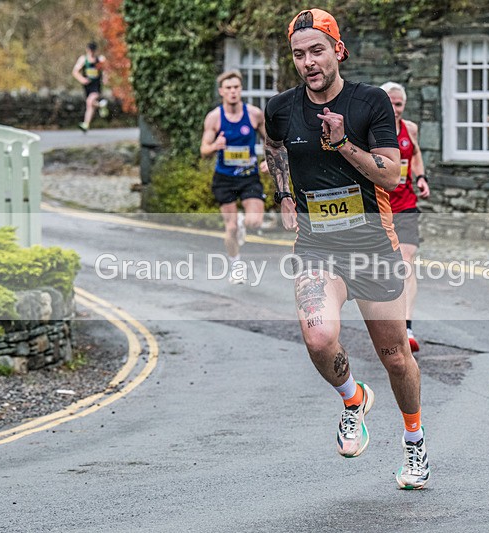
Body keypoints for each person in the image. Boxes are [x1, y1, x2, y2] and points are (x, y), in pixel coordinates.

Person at [264, 8, 430, 489]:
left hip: (373, 247)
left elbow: (391, 174)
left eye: (317, 51)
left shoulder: (370, 102)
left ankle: (414, 441)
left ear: (338, 50)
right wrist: (284, 194)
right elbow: (273, 147)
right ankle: (353, 399)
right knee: (318, 337)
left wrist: (341, 145)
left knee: (395, 357)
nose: (308, 63)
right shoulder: (281, 108)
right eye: (299, 54)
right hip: (317, 247)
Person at [200, 70, 267, 284]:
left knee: (254, 222)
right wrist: (215, 146)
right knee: (230, 228)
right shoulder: (214, 117)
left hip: (249, 176)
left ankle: (241, 221)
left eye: (236, 87)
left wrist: (270, 160)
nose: (233, 91)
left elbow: (271, 142)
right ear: (221, 91)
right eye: (228, 88)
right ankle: (236, 265)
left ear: (241, 89)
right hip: (224, 178)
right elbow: (203, 149)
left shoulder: (254, 114)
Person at [380, 82, 430, 353]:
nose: (394, 109)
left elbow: (416, 154)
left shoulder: (410, 129)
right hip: (379, 206)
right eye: (389, 102)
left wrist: (421, 178)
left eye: (398, 104)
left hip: (406, 204)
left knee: (406, 260)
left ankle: (407, 328)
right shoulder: (370, 130)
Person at [72, 42, 107, 133]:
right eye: (90, 50)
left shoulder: (100, 59)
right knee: (90, 105)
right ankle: (100, 106)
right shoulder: (83, 59)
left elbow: (105, 70)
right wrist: (82, 79)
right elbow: (75, 71)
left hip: (96, 85)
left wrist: (105, 78)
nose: (91, 52)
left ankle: (85, 124)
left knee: (89, 101)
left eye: (93, 50)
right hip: (87, 86)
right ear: (87, 50)